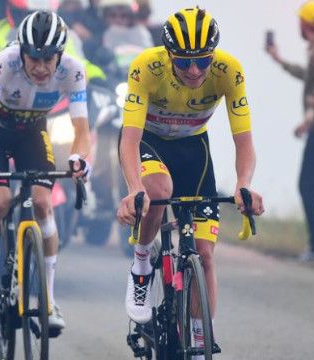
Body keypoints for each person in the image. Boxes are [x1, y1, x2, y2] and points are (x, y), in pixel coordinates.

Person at [116, 7, 264, 354]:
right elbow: (129, 140)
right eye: (183, 62)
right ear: (169, 55)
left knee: (205, 254)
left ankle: (199, 335)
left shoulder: (229, 71)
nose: (195, 70)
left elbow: (244, 141)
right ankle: (141, 267)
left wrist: (244, 183)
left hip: (193, 148)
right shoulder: (146, 67)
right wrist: (134, 189)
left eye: (202, 60)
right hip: (149, 140)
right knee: (157, 190)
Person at [0, 10, 91, 333]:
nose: (39, 67)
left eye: (48, 59)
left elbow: (82, 130)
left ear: (60, 56)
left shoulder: (74, 72)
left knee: (43, 204)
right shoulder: (4, 63)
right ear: (21, 52)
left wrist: (80, 158)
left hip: (32, 131)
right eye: (33, 58)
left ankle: (48, 299)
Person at [266, 1, 314, 262]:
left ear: (305, 24)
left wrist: (308, 122)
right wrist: (280, 60)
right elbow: (311, 78)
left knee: (306, 184)